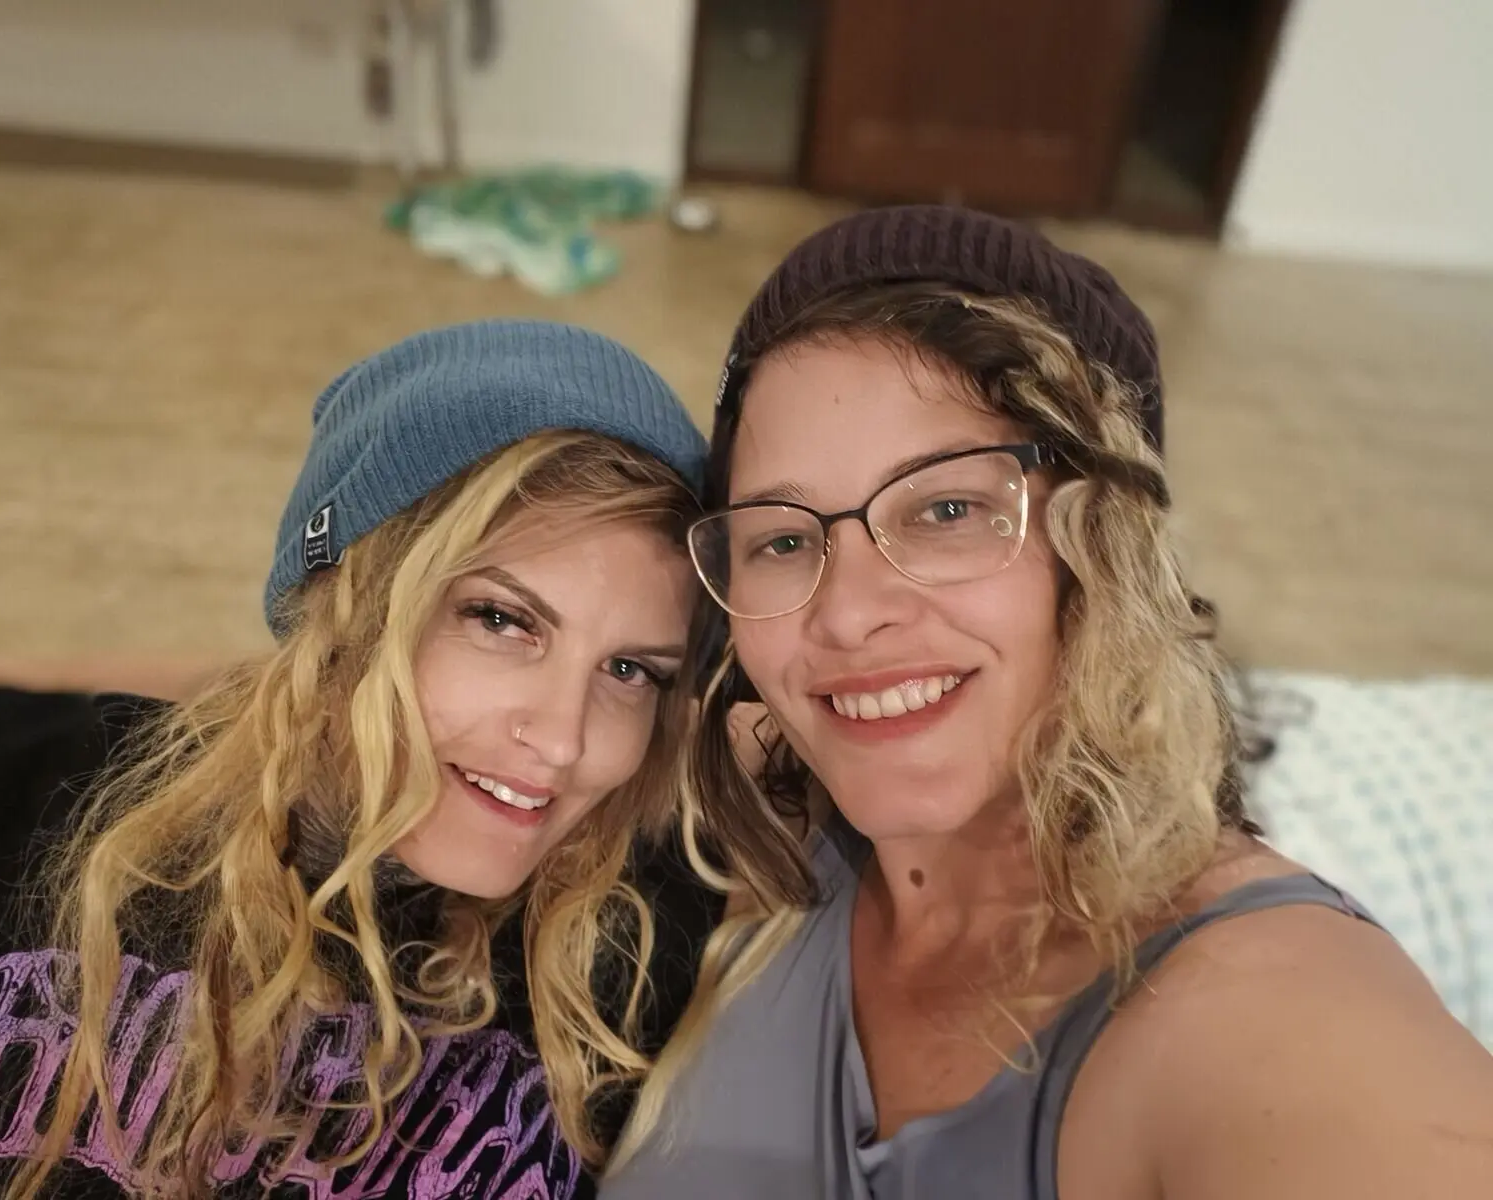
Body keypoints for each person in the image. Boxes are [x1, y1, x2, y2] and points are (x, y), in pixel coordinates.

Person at [603, 207, 1493, 1198]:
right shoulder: (764, 803)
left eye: (946, 509)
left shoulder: (1269, 1016)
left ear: (1101, 550)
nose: (847, 616)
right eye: (782, 539)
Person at [0, 318, 723, 1200]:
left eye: (630, 670)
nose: (564, 741)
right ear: (346, 606)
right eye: (500, 620)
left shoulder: (637, 955)